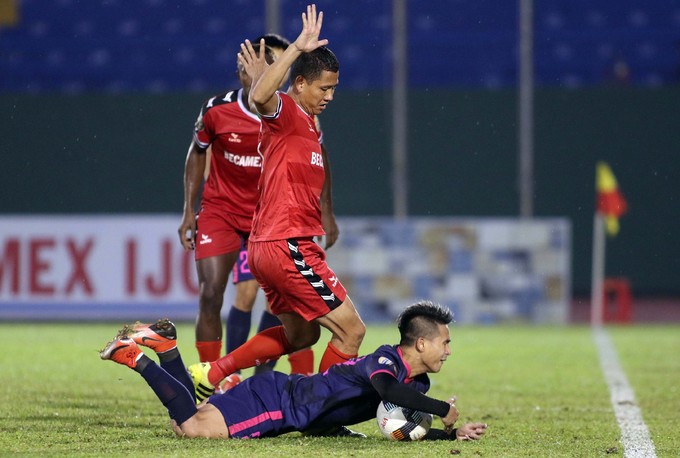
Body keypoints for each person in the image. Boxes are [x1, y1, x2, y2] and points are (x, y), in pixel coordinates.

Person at [187, 4, 365, 400]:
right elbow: (262, 95)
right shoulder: (285, 112)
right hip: (288, 244)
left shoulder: (308, 124)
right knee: (353, 330)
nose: (331, 96)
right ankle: (322, 410)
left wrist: (325, 214)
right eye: (324, 88)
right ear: (299, 84)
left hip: (273, 245)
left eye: (335, 88)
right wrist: (295, 49)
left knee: (302, 333)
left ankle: (214, 372)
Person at [100, 300, 488, 441]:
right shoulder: (385, 361)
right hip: (278, 402)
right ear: (421, 343)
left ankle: (168, 349)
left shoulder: (417, 381)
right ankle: (136, 359)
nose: (449, 351)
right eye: (446, 342)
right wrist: (442, 409)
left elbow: (404, 427)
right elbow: (388, 393)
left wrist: (451, 433)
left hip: (283, 400)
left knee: (192, 421)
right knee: (190, 428)